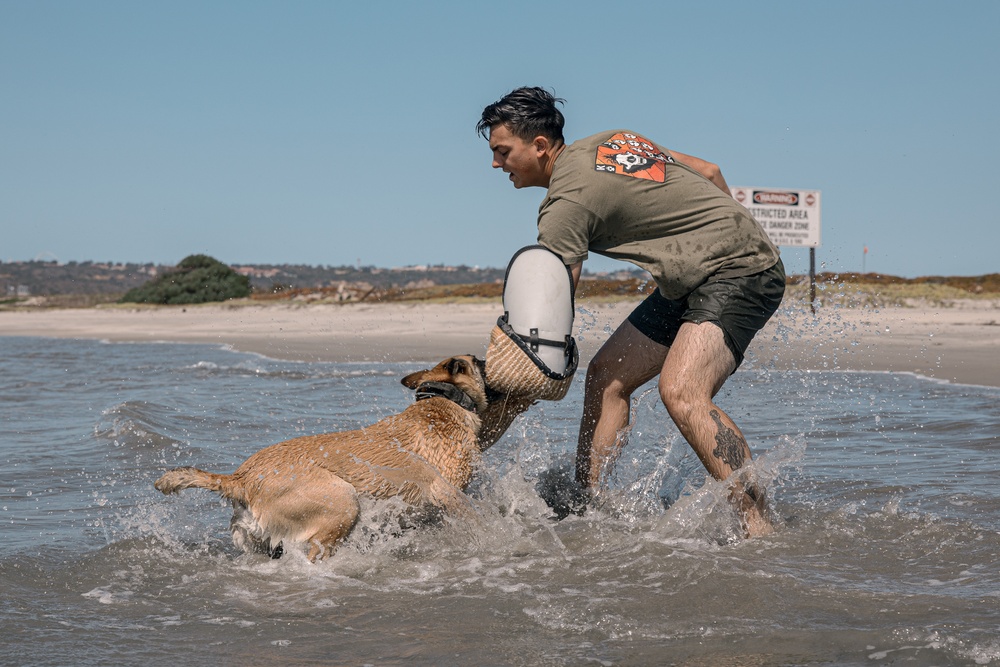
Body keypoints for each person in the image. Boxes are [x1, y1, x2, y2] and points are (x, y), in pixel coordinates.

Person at [477, 86, 785, 536]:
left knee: (681, 392)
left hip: (740, 271)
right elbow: (710, 171)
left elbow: (553, 303)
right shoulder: (612, 140)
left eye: (502, 151)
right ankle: (588, 503)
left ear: (539, 145)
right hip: (695, 276)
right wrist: (725, 229)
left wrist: (518, 379)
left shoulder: (565, 206)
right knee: (606, 377)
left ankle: (760, 529)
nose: (495, 164)